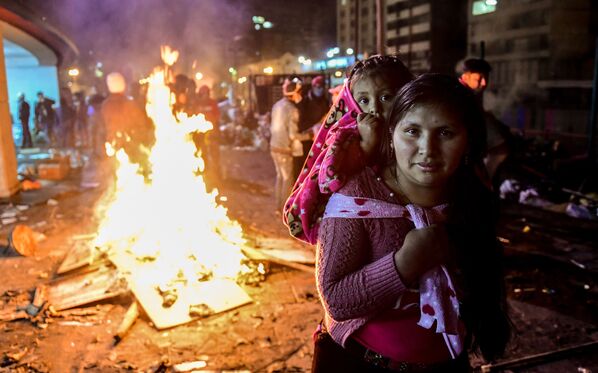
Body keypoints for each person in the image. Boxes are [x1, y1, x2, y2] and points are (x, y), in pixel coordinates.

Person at [312, 73, 510, 372]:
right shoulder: (357, 198)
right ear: (392, 134)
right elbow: (337, 301)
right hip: (358, 363)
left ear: (468, 139)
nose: (427, 149)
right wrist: (404, 263)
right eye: (412, 131)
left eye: (445, 133)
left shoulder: (471, 199)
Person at [283, 55, 413, 243]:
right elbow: (330, 182)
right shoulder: (346, 137)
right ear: (351, 101)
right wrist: (366, 148)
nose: (374, 109)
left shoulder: (416, 134)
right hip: (355, 235)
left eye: (386, 97)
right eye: (364, 100)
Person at [459, 58, 511, 184]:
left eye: (485, 79)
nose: (483, 84)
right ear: (466, 76)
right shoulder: (460, 94)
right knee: (500, 149)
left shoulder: (472, 95)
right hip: (464, 152)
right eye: (478, 79)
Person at [101, 72, 154, 176]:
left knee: (118, 178)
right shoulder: (130, 105)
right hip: (132, 149)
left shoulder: (104, 106)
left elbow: (100, 129)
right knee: (135, 176)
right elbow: (142, 126)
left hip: (112, 148)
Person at [270, 76, 309, 211]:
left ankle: (277, 206)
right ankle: (284, 209)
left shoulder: (277, 105)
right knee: (287, 179)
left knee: (280, 177)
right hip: (284, 149)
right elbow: (293, 135)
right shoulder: (293, 110)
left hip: (274, 147)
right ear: (295, 93)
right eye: (300, 92)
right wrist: (310, 135)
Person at [295, 75, 331, 180]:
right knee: (305, 168)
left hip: (319, 140)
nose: (319, 89)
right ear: (313, 87)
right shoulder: (305, 102)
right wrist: (314, 126)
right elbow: (300, 124)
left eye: (321, 86)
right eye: (317, 86)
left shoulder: (325, 101)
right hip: (307, 140)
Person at [196, 85, 222, 183]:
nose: (204, 96)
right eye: (202, 94)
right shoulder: (197, 104)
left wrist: (211, 124)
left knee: (214, 154)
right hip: (201, 135)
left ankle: (216, 175)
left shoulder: (212, 103)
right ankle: (205, 172)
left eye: (205, 94)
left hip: (212, 134)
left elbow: (217, 116)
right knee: (203, 153)